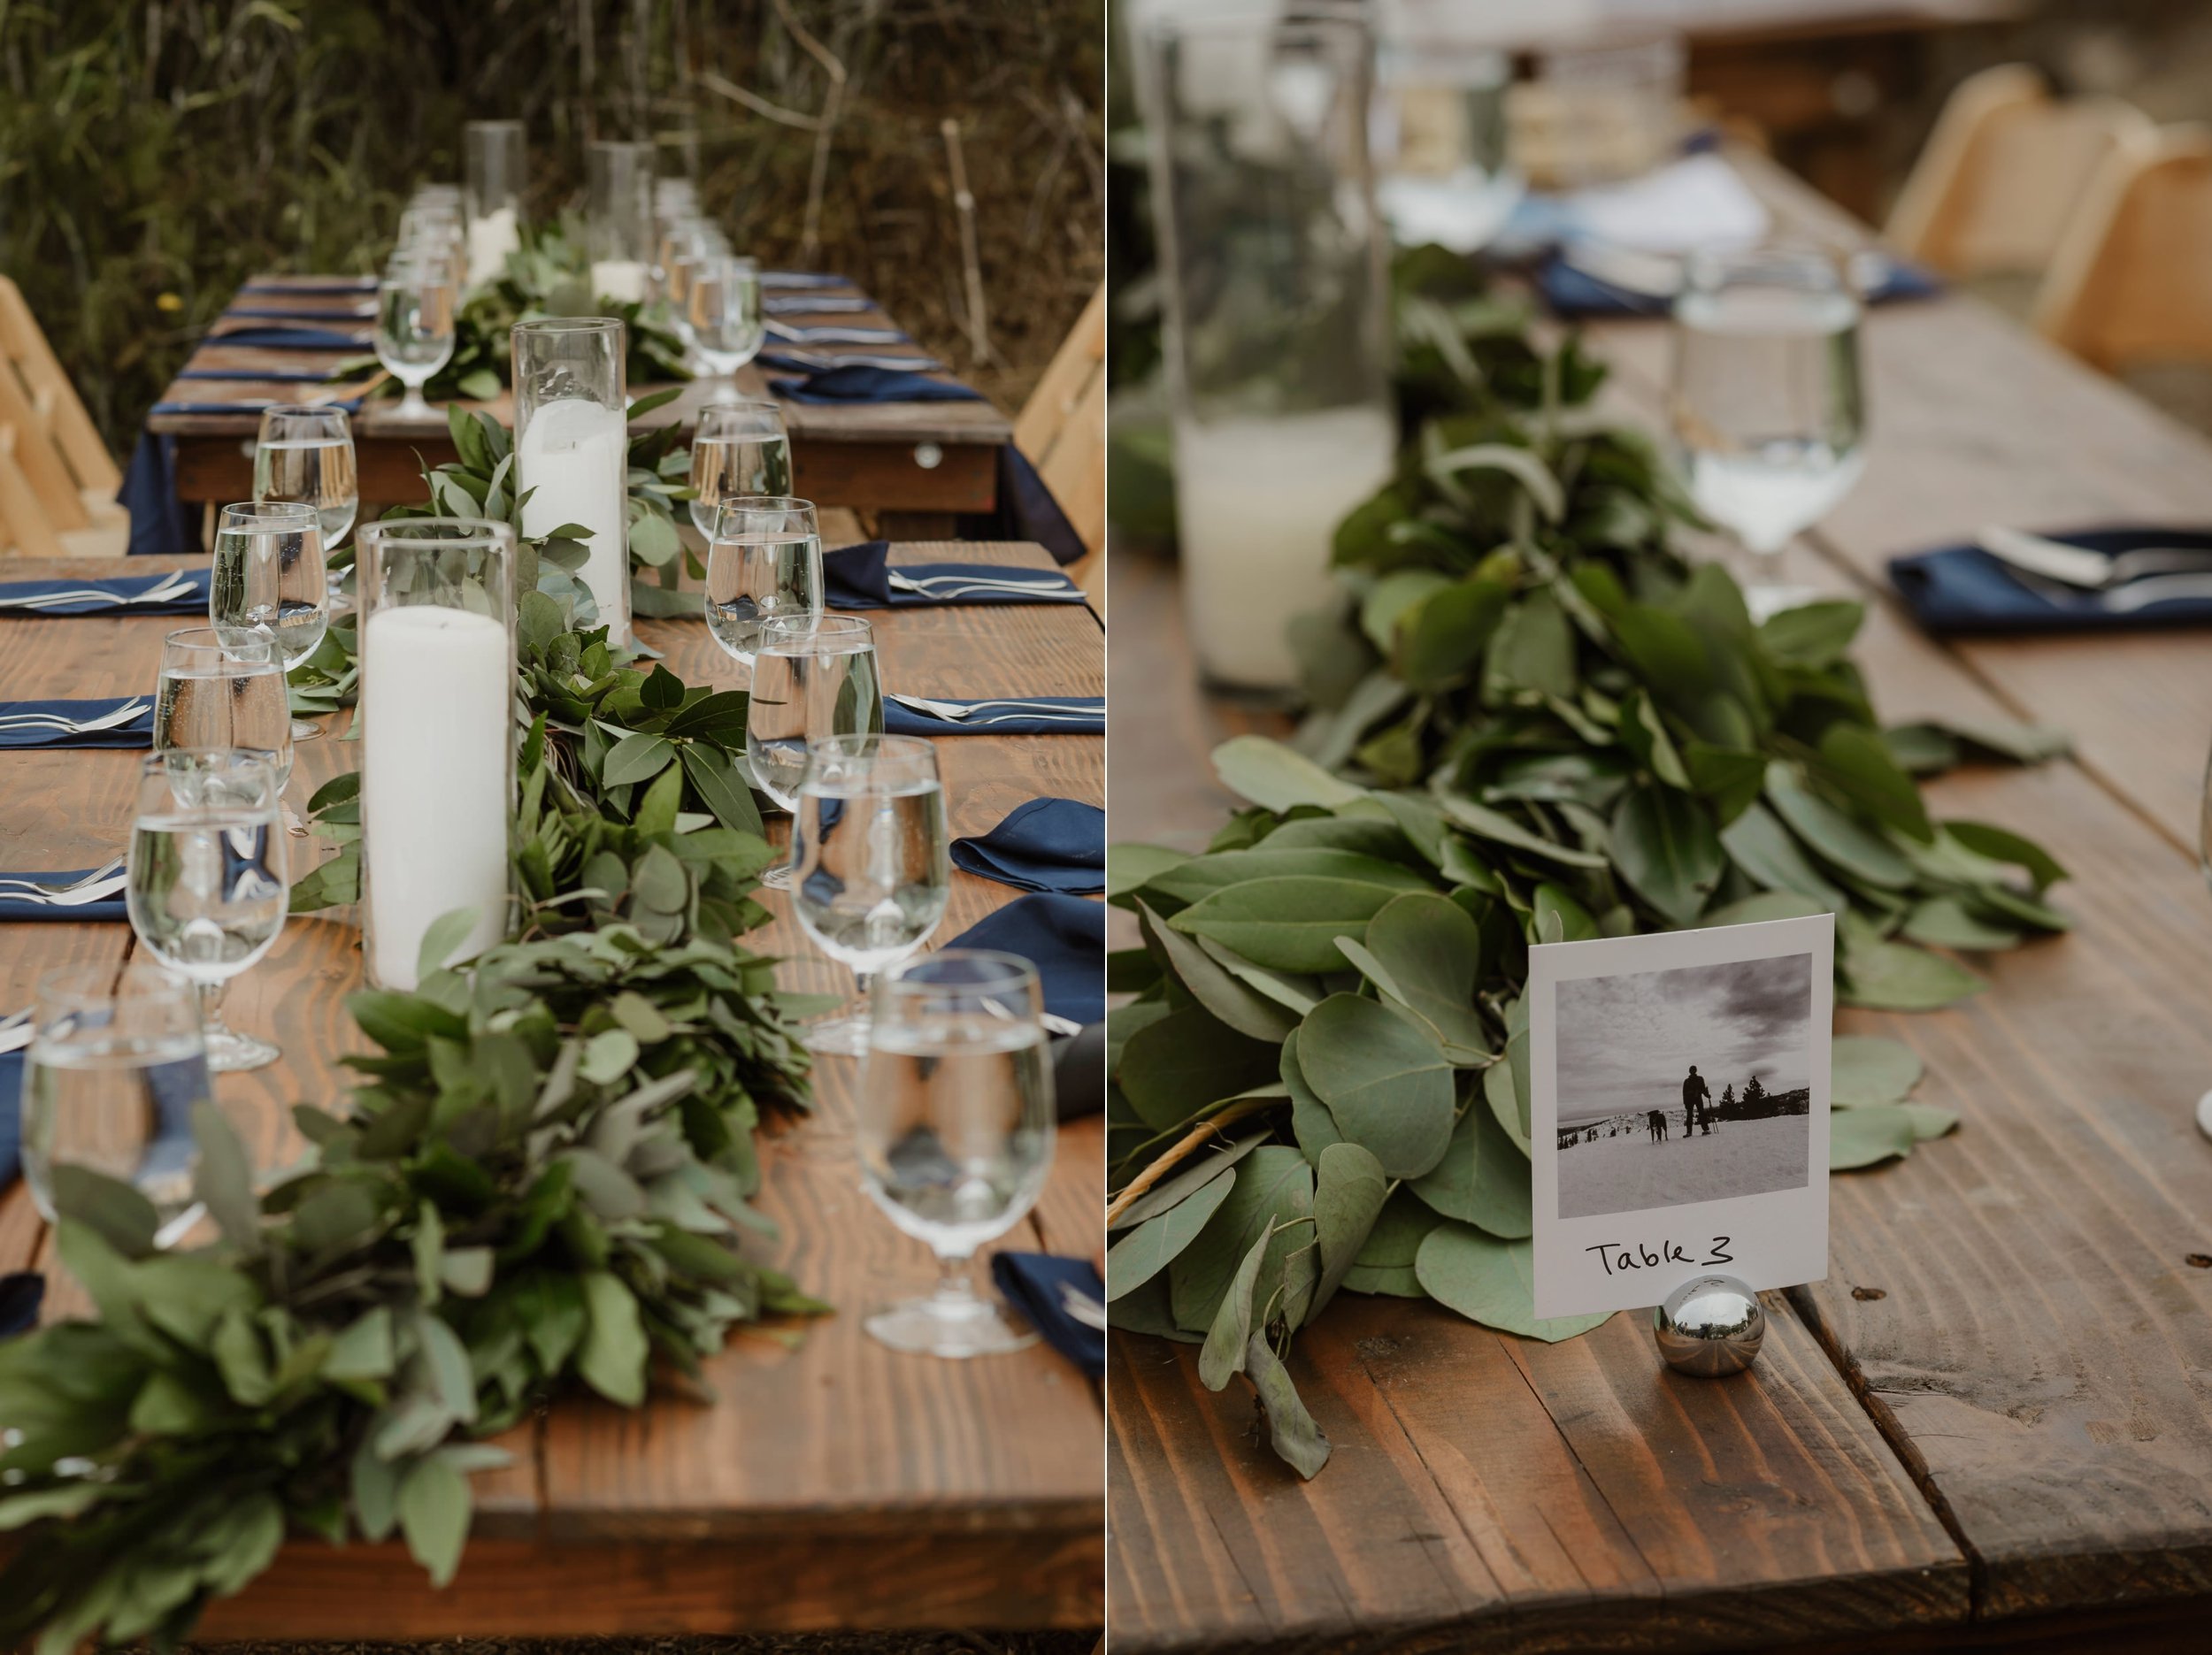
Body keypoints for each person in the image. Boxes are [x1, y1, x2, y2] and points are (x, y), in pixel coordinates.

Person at [1681, 1064, 1710, 1145]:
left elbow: (1703, 1089)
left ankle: (1705, 1130)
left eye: (1694, 1070)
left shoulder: (1700, 1079)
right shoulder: (1687, 1081)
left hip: (1697, 1098)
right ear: (1690, 1071)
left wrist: (1707, 1095)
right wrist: (1685, 1102)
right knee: (1691, 1115)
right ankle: (1689, 1132)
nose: (1693, 1071)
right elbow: (1684, 1093)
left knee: (1701, 1114)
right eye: (1692, 1070)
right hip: (1690, 1100)